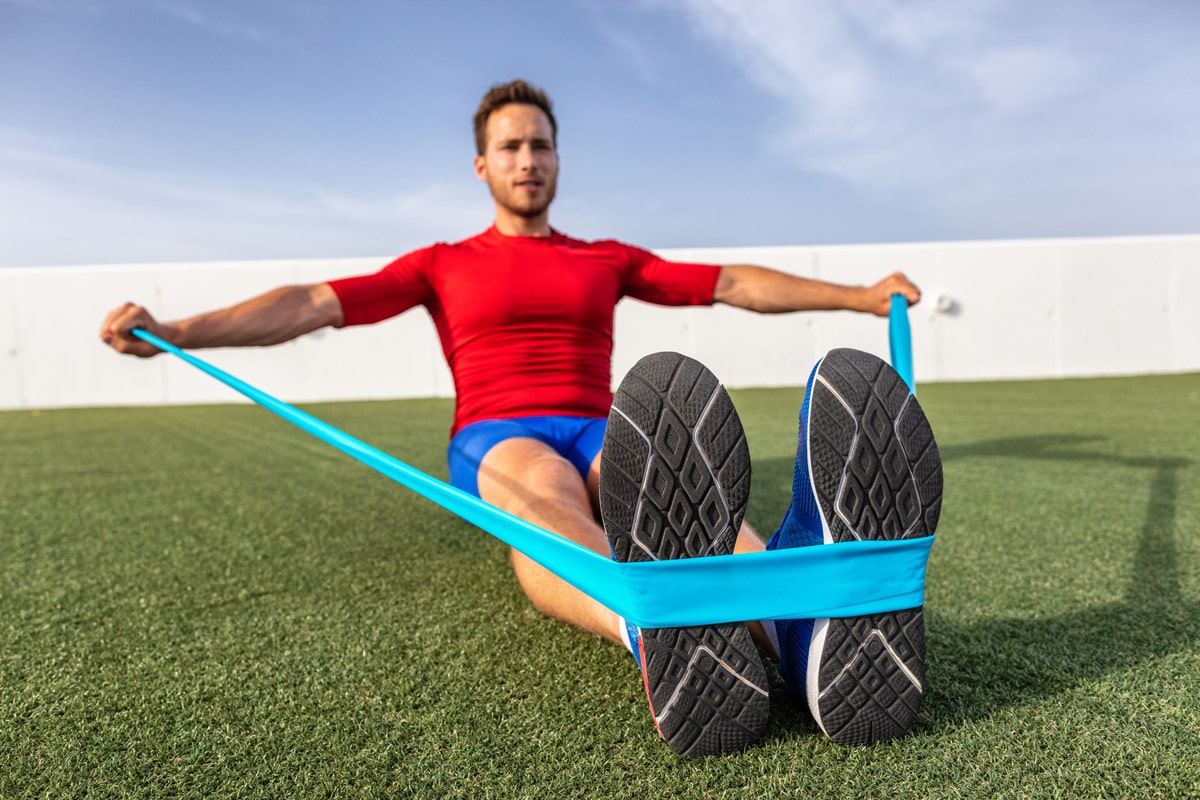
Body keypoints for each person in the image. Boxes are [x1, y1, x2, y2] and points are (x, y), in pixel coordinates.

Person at [100, 79, 940, 758]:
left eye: (541, 144)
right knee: (544, 495)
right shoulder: (440, 264)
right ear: (482, 166)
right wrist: (178, 332)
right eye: (512, 146)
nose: (528, 159)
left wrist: (859, 298)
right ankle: (653, 630)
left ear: (558, 159)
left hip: (604, 425)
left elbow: (727, 284)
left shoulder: (603, 258)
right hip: (501, 433)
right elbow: (310, 305)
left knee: (667, 483)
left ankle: (803, 626)